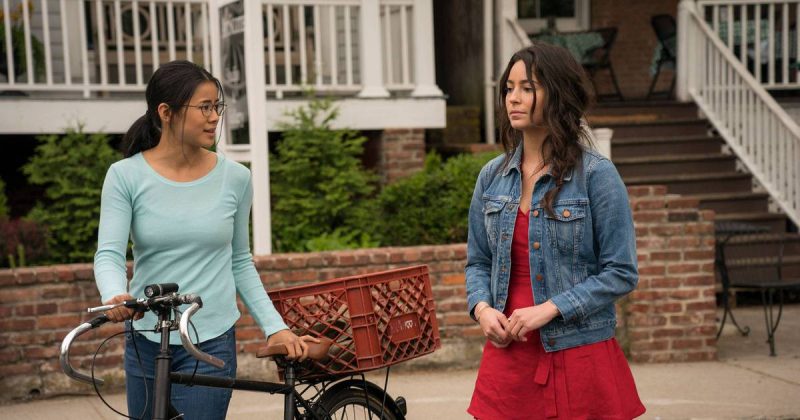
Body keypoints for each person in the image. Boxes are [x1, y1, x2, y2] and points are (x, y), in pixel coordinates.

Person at [93, 60, 316, 419]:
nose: (214, 117)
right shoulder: (125, 176)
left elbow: (240, 261)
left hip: (211, 339)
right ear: (166, 112)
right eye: (204, 107)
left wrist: (276, 327)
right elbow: (109, 254)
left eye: (217, 106)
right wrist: (114, 294)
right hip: (147, 337)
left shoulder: (236, 178)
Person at [465, 43, 646, 419]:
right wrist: (482, 309)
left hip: (577, 354)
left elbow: (621, 272)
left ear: (558, 93)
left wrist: (549, 309)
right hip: (508, 357)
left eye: (527, 88)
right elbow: (478, 262)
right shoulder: (491, 177)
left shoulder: (596, 175)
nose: (513, 98)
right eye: (508, 88)